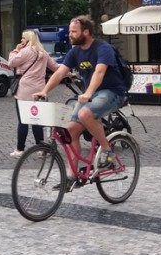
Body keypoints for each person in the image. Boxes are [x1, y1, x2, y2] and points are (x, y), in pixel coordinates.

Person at [33, 16, 127, 190]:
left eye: (74, 32)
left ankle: (108, 152)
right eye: (70, 31)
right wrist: (44, 91)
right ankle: (72, 176)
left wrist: (89, 93)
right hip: (92, 94)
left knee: (85, 114)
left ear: (86, 32)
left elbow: (99, 72)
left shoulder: (103, 48)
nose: (70, 35)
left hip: (113, 92)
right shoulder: (75, 52)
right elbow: (60, 73)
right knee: (70, 131)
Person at [8, 30, 61, 158]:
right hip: (39, 90)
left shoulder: (26, 51)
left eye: (23, 38)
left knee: (23, 121)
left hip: (24, 91)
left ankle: (20, 149)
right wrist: (69, 72)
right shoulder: (43, 53)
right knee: (37, 120)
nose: (21, 41)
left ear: (28, 39)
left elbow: (11, 63)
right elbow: (56, 67)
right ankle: (41, 148)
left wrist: (15, 50)